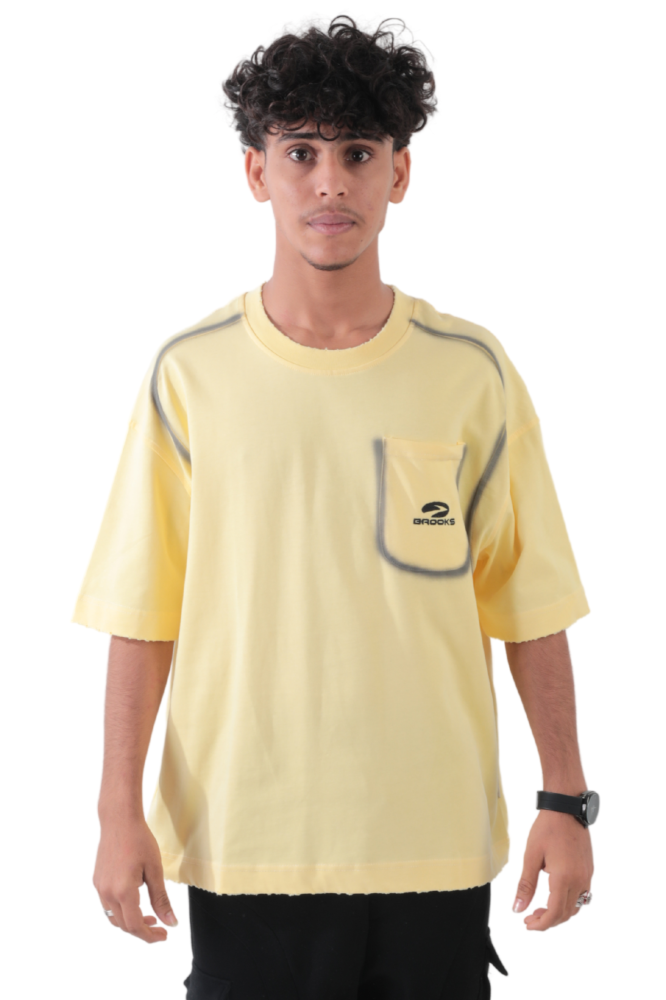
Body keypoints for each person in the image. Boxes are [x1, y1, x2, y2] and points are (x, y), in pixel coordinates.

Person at [73, 15, 598, 999]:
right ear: (255, 172)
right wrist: (116, 811)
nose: (329, 183)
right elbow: (142, 615)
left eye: (358, 152)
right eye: (300, 152)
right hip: (245, 842)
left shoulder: (470, 371)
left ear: (400, 173)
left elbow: (529, 603)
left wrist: (564, 799)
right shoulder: (190, 375)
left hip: (433, 842)